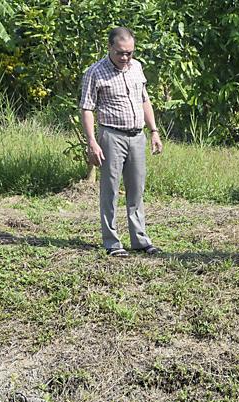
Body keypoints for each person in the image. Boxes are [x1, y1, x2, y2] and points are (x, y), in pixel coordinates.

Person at [79, 27, 163, 258]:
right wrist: (92, 142)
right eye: (120, 53)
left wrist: (154, 130)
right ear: (110, 47)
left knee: (136, 189)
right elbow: (86, 108)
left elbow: (145, 100)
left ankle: (140, 240)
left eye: (129, 53)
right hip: (111, 136)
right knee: (111, 191)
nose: (125, 58)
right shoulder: (95, 72)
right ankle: (112, 242)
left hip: (137, 136)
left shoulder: (136, 67)